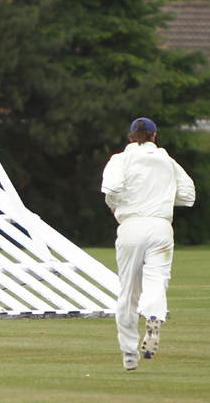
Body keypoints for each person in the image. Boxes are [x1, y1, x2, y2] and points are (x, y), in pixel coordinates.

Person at [101, 117, 195, 371]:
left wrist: (115, 205)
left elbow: (111, 188)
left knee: (129, 291)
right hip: (160, 226)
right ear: (154, 137)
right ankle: (154, 316)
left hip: (130, 226)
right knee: (157, 278)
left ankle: (129, 354)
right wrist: (161, 198)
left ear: (131, 137)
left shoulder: (120, 159)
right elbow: (188, 196)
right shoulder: (168, 161)